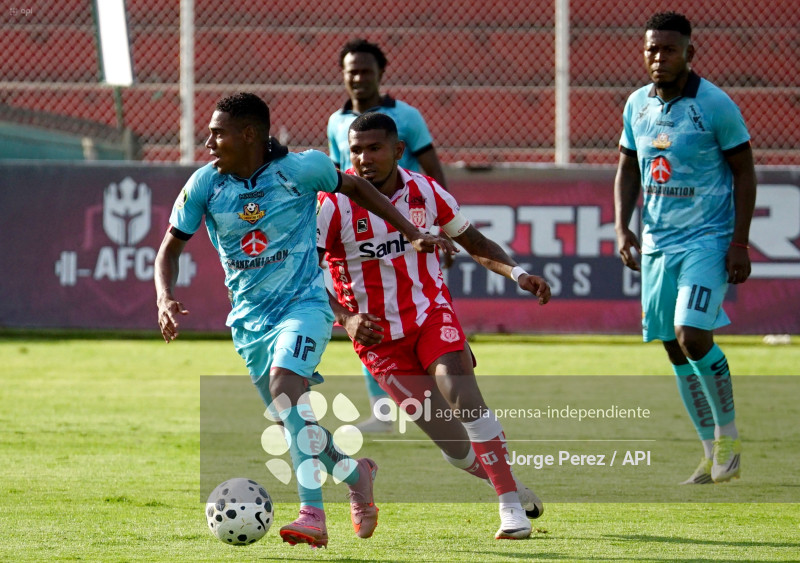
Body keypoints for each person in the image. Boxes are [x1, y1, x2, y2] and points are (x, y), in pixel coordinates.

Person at [154, 93, 454, 548]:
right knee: (289, 421)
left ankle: (312, 514)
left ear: (249, 134)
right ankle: (357, 474)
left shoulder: (302, 169)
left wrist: (410, 232)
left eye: (218, 132)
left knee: (285, 392)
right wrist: (164, 297)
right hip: (249, 321)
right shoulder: (204, 185)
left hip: (305, 307)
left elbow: (357, 188)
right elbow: (169, 250)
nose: (209, 141)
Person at [317, 112, 551, 539]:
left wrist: (518, 274)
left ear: (398, 150)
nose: (364, 158)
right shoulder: (333, 203)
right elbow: (303, 275)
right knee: (455, 448)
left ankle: (509, 509)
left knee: (461, 392)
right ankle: (509, 482)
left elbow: (473, 241)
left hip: (431, 316)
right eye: (356, 150)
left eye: (375, 148)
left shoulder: (426, 191)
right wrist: (347, 318)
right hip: (379, 341)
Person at [613, 12, 756, 485]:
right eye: (652, 48)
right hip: (656, 243)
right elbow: (628, 167)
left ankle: (730, 437)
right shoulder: (637, 104)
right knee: (674, 348)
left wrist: (738, 242)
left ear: (690, 53)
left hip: (707, 239)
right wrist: (622, 228)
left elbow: (744, 171)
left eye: (669, 49)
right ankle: (711, 452)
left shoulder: (715, 105)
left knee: (692, 334)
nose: (659, 57)